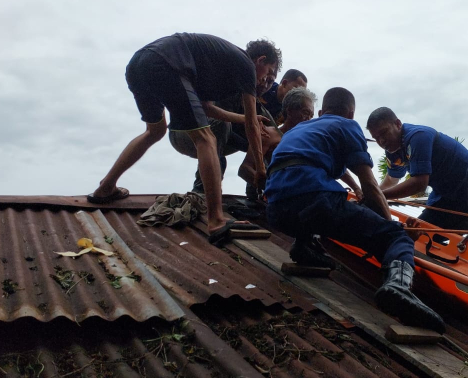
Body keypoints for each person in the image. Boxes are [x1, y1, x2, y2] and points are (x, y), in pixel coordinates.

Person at [264, 88, 445, 332]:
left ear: (321, 112)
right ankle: (399, 287)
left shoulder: (300, 130)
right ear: (351, 113)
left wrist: (356, 191)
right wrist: (391, 227)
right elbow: (370, 185)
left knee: (312, 201)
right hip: (314, 200)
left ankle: (303, 246)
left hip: (275, 209)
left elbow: (336, 173)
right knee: (395, 236)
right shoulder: (347, 126)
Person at [88, 33, 281, 245]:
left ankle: (105, 188)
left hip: (138, 65)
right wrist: (260, 169)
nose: (266, 81)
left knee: (155, 131)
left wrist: (242, 118)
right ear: (260, 60)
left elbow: (206, 107)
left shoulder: (219, 68)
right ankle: (216, 220)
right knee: (206, 138)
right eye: (269, 74)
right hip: (165, 63)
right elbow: (252, 126)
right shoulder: (246, 65)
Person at [366, 107, 468, 247]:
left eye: (384, 133)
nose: (381, 141)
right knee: (418, 235)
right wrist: (369, 195)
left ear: (398, 124)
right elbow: (391, 179)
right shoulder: (393, 152)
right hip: (449, 200)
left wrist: (376, 195)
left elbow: (419, 183)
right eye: (376, 138)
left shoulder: (418, 136)